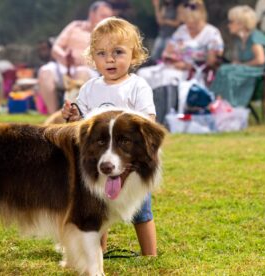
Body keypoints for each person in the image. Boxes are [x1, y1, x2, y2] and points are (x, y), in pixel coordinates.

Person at [62, 17, 157, 256]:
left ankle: (150, 254)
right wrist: (73, 115)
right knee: (98, 207)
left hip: (129, 164)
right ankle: (100, 252)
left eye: (118, 52)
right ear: (93, 58)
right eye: (102, 53)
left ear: (134, 55)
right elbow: (82, 121)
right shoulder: (90, 88)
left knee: (141, 211)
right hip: (101, 162)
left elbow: (148, 121)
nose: (110, 59)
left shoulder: (137, 87)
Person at [37, 1, 113, 114]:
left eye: (109, 17)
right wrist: (64, 57)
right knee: (45, 71)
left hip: (87, 70)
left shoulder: (108, 35)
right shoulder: (75, 26)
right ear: (92, 14)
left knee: (81, 72)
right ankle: (53, 116)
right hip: (63, 66)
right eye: (103, 16)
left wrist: (84, 61)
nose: (106, 20)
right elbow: (55, 48)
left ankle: (72, 115)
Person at [137, 0, 224, 90]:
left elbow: (213, 62)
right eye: (185, 21)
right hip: (173, 66)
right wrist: (173, 60)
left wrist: (187, 65)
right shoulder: (182, 30)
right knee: (143, 73)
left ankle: (166, 102)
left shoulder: (212, 33)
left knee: (169, 77)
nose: (187, 25)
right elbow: (167, 52)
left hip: (195, 72)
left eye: (190, 22)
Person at [210, 5, 265, 107]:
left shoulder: (254, 37)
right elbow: (236, 60)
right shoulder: (238, 40)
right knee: (223, 69)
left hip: (258, 72)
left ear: (241, 23)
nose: (229, 25)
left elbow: (260, 60)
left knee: (229, 74)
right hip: (245, 69)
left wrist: (241, 64)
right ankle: (216, 101)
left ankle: (232, 104)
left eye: (231, 22)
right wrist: (236, 63)